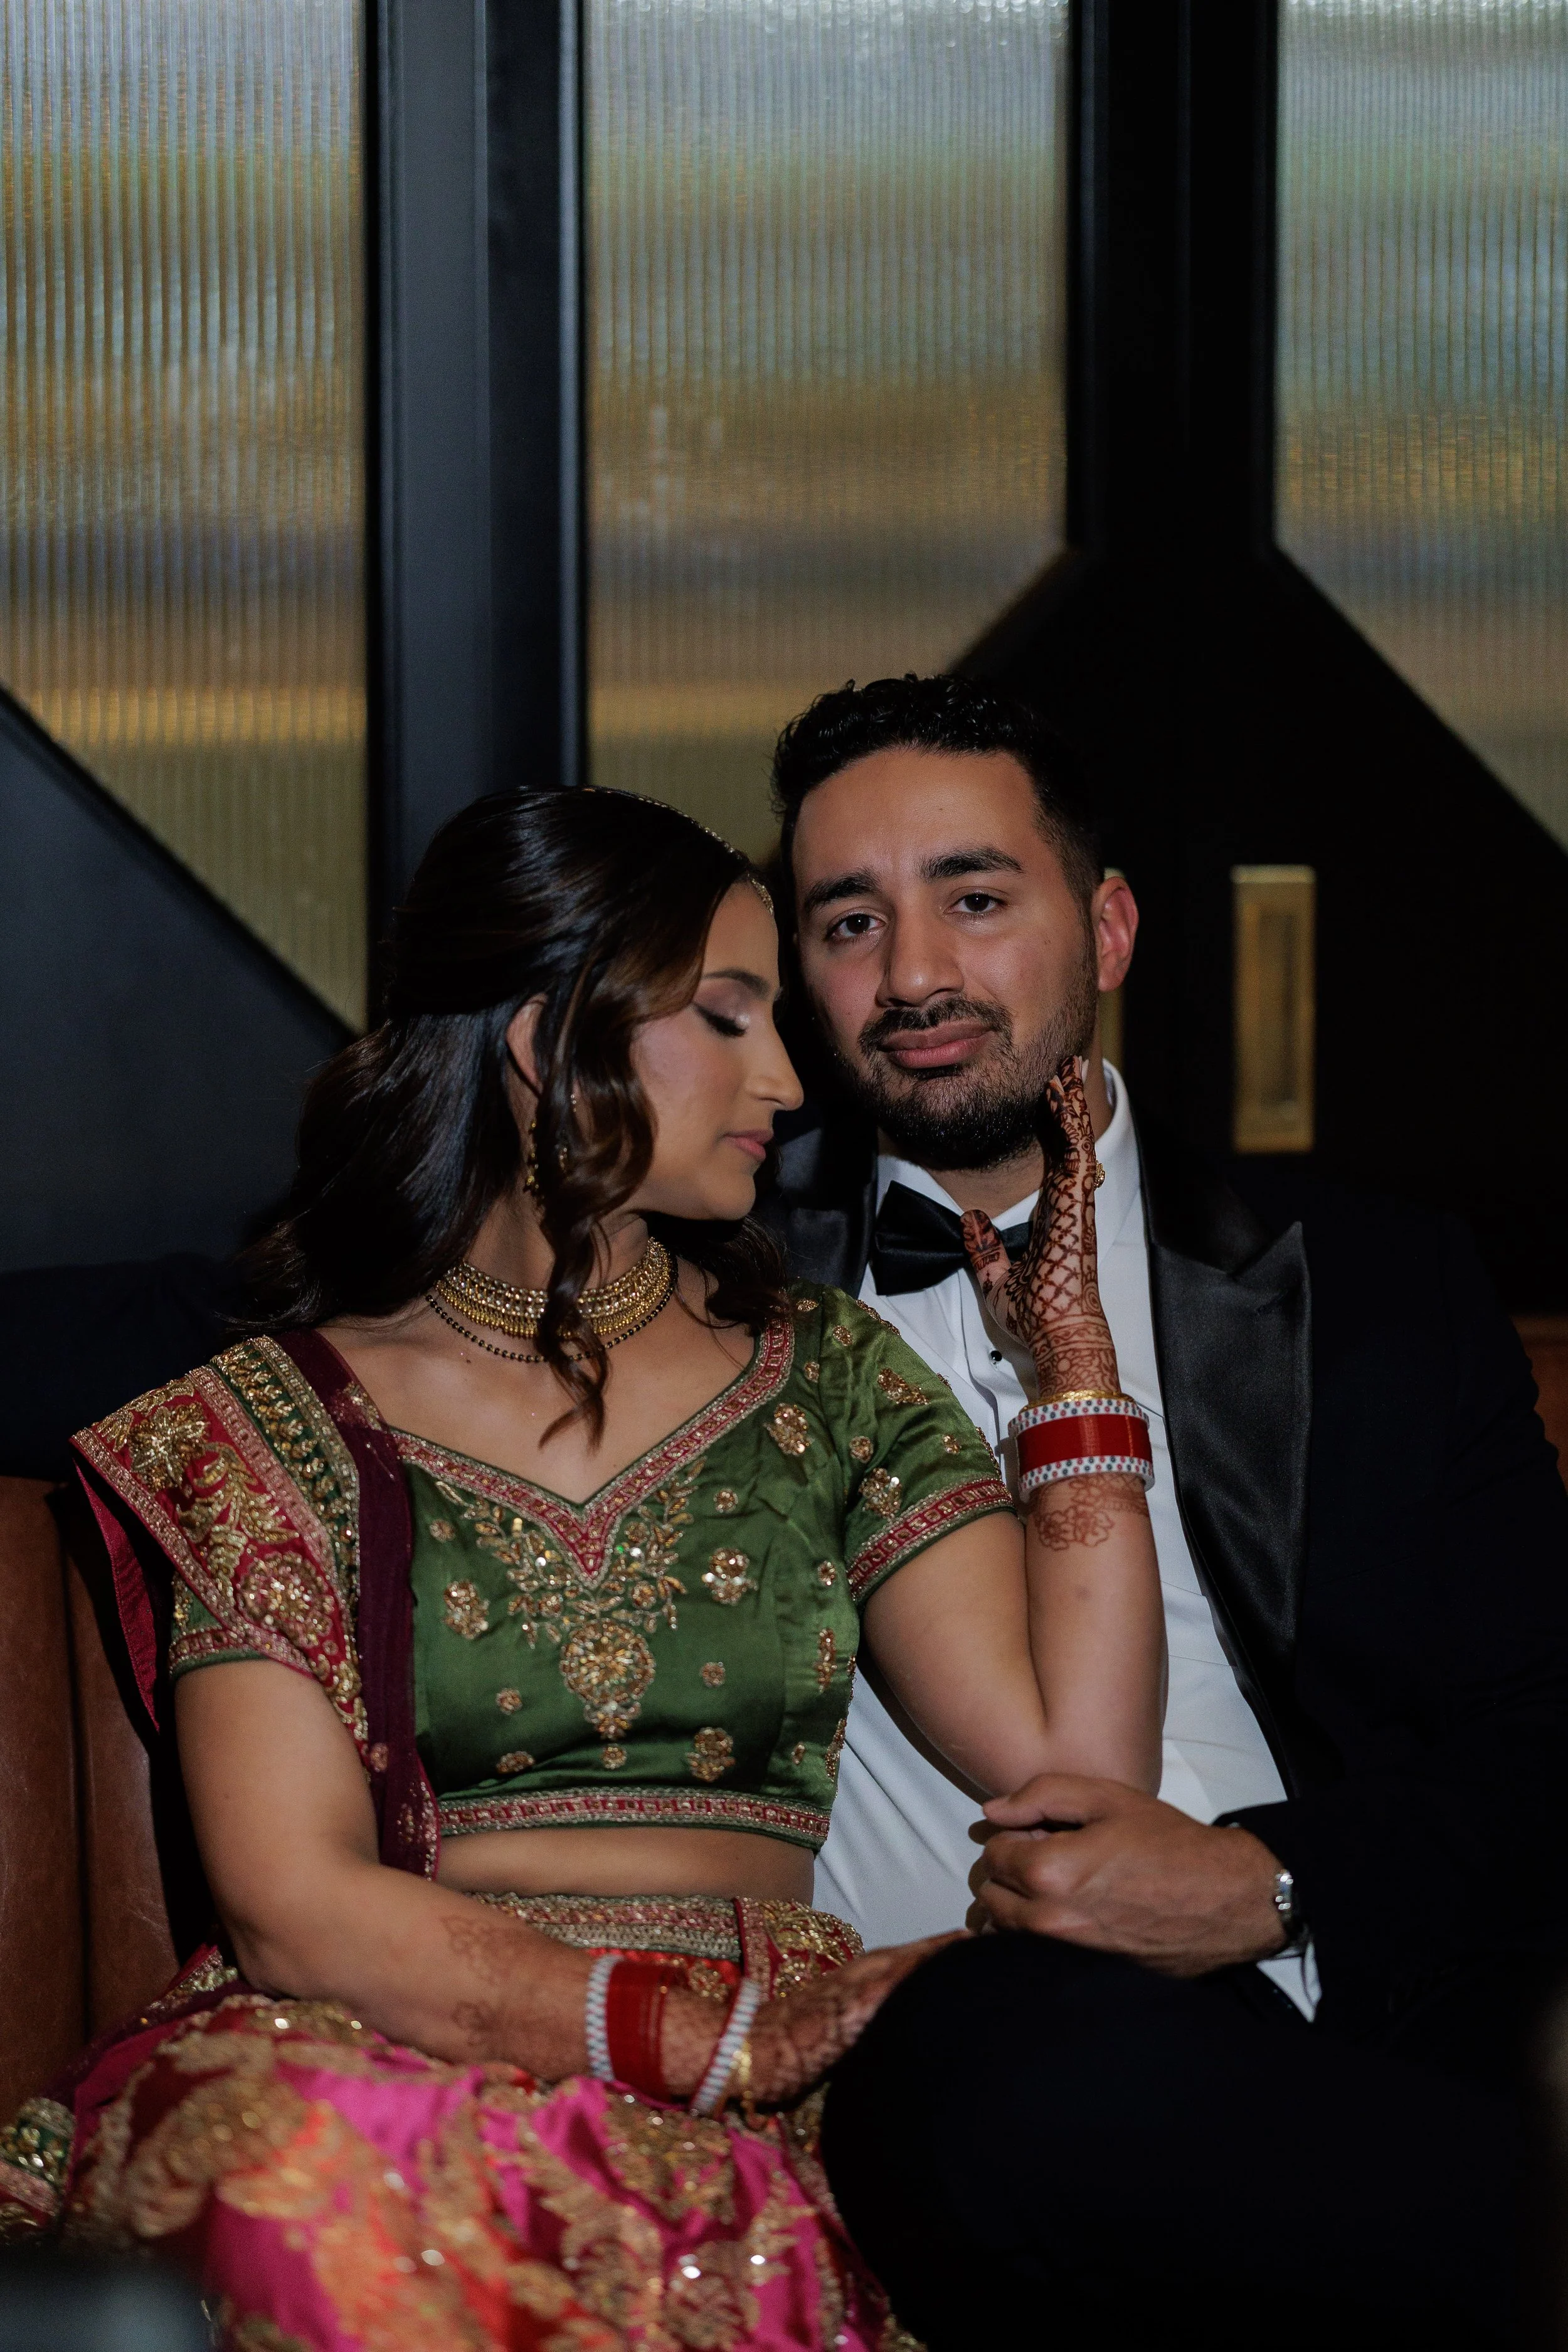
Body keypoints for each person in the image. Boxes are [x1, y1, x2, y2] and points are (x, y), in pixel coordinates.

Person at [0, 786, 1166, 2351]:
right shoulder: (270, 1422)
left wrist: (1071, 1384)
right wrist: (704, 2035)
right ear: (550, 1048)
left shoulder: (828, 1378)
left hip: (781, 2097)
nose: (786, 1081)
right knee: (300, 2160)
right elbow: (293, 1904)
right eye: (728, 1017)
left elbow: (1076, 1782)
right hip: (382, 2046)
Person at [756, 671, 1568, 2347]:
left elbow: (1542, 1739)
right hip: (947, 2061)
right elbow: (311, 1305)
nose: (913, 976)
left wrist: (1261, 1884)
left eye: (973, 899)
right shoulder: (699, 1298)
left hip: (1346, 2035)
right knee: (1009, 2057)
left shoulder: (1371, 1284)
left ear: (1105, 927)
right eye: (849, 922)